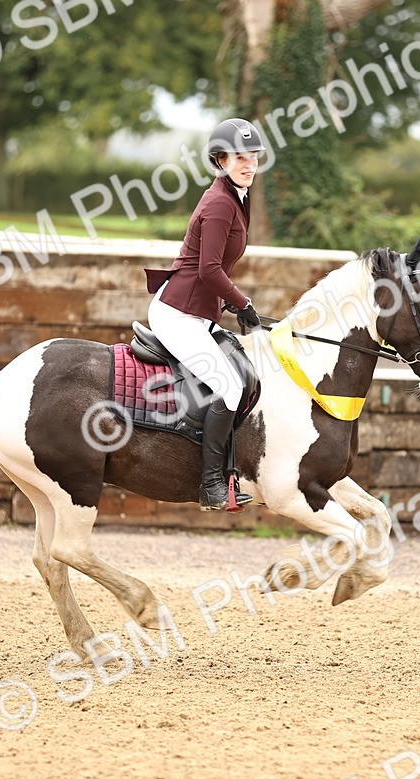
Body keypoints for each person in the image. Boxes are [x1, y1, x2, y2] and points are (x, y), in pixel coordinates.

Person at [144, 118, 264, 512]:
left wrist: (230, 304)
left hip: (198, 310)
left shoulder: (236, 196)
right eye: (240, 157)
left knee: (242, 376)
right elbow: (209, 270)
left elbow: (213, 272)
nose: (249, 164)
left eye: (254, 157)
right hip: (178, 313)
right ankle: (211, 485)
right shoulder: (218, 204)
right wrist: (243, 303)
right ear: (220, 160)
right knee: (228, 387)